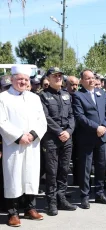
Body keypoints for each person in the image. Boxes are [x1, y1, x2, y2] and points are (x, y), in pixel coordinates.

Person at [0, 65, 47, 227]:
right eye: (19, 79)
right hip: (14, 145)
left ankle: (30, 208)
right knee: (13, 176)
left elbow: (42, 121)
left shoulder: (34, 98)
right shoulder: (3, 98)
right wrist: (19, 136)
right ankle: (13, 213)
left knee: (31, 175)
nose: (23, 82)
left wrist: (33, 135)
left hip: (32, 144)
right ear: (12, 79)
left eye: (26, 79)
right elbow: (2, 122)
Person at [72, 69, 106, 209]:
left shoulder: (101, 93)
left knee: (101, 166)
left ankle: (100, 193)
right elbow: (80, 116)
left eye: (93, 78)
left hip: (103, 136)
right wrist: (96, 127)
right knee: (86, 168)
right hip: (87, 137)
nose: (91, 80)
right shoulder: (78, 95)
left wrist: (105, 126)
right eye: (88, 78)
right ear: (82, 81)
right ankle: (85, 196)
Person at [39, 67, 77, 216]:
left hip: (67, 138)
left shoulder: (67, 95)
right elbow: (45, 117)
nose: (58, 78)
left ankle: (61, 198)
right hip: (52, 138)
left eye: (60, 76)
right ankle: (51, 202)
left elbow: (72, 116)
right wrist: (59, 131)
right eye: (55, 76)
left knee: (64, 170)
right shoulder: (43, 96)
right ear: (48, 78)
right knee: (52, 171)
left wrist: (68, 131)